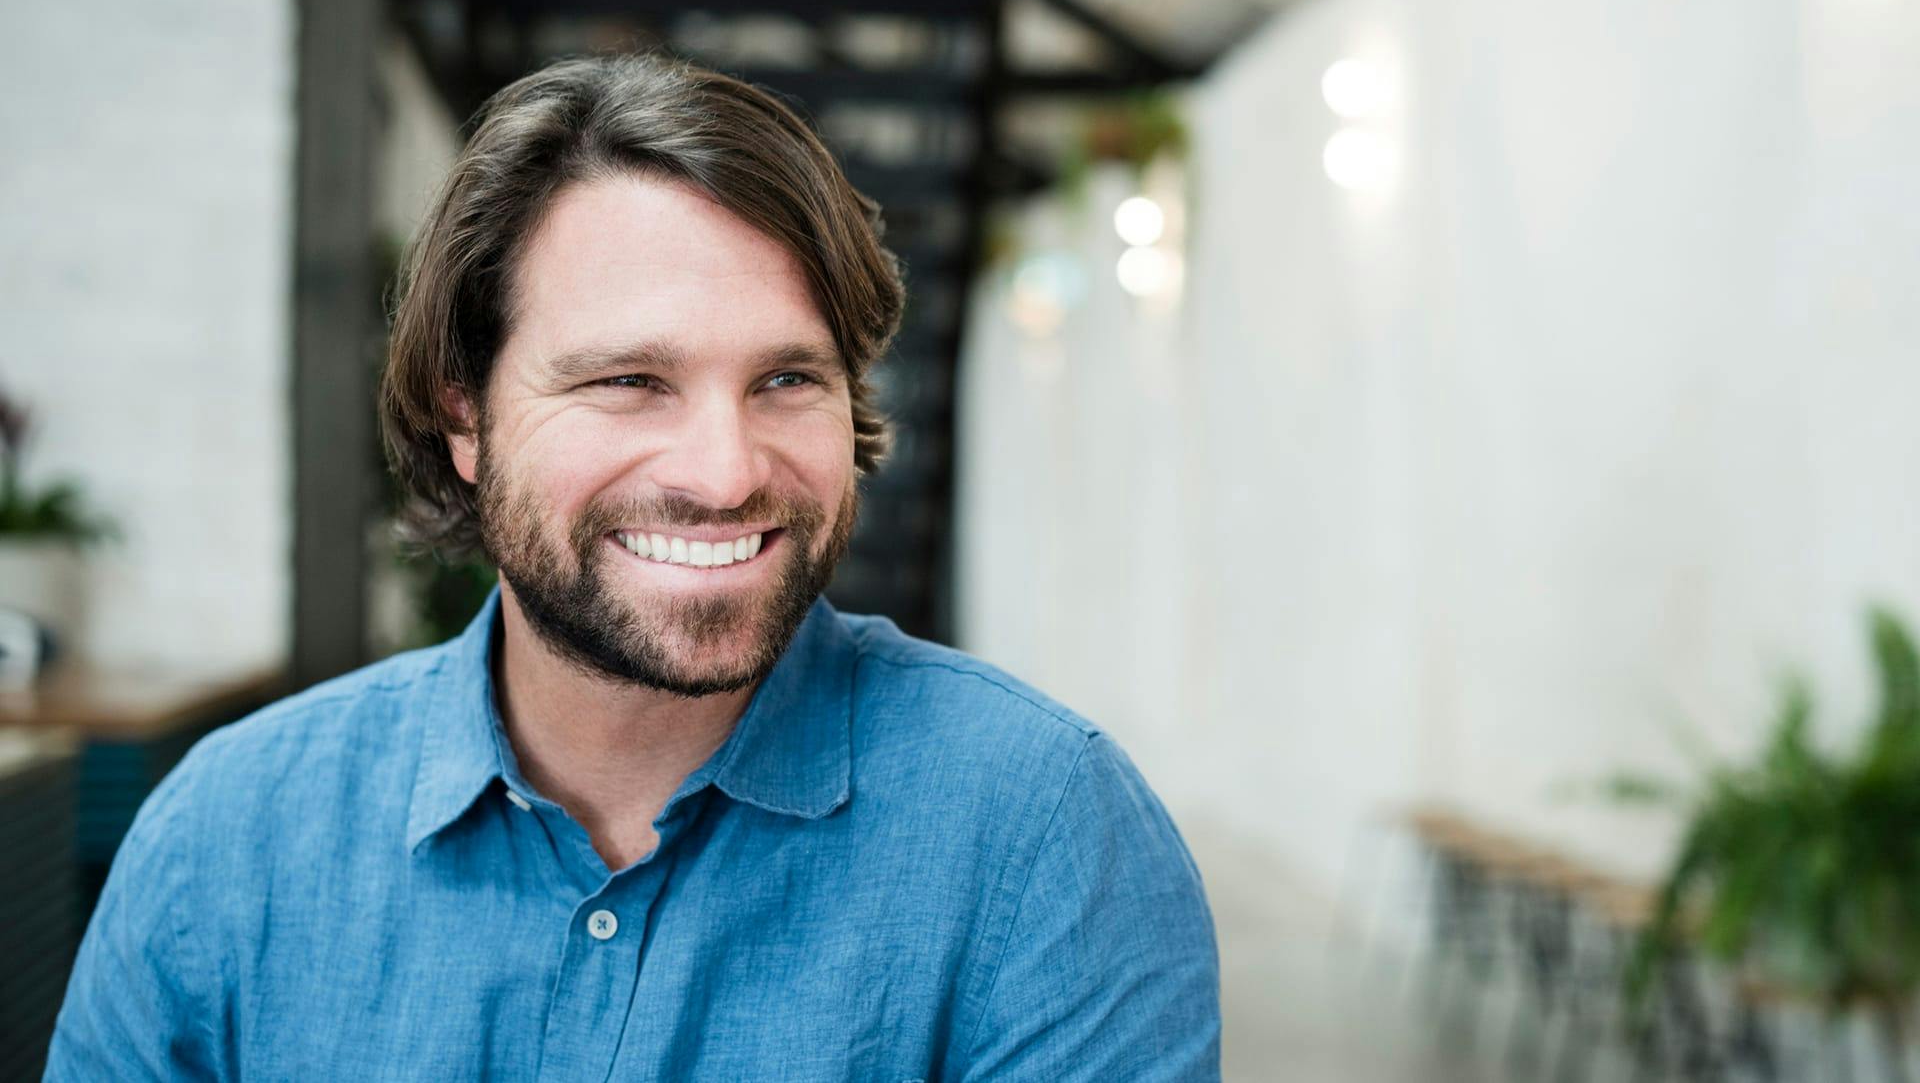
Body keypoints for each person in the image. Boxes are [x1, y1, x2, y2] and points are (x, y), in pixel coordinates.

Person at [46, 53, 1220, 1080]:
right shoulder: (228, 838)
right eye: (626, 382)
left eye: (787, 380)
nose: (722, 473)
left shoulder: (1045, 837)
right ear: (466, 415)